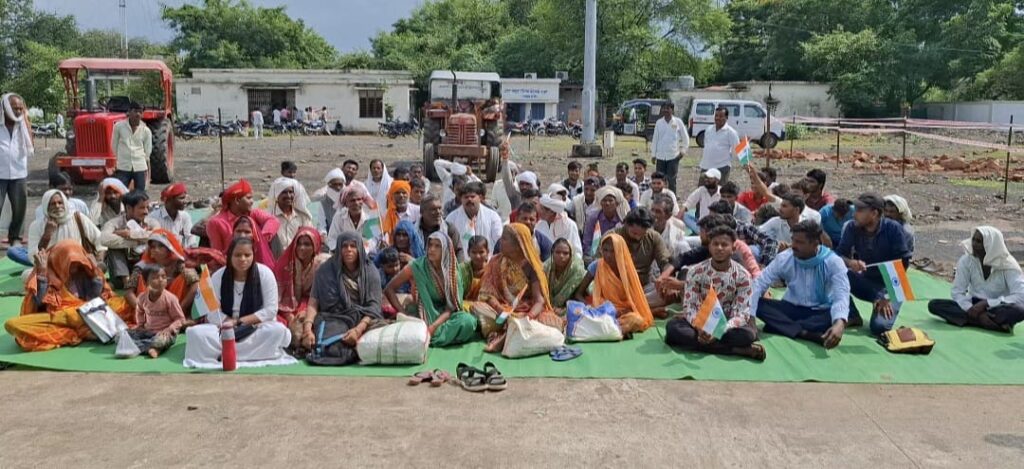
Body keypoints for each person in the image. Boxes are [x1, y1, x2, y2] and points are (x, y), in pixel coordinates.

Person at [183, 238, 295, 368]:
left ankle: (225, 353)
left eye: (247, 255)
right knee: (195, 333)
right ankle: (250, 354)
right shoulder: (218, 276)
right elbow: (212, 312)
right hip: (224, 328)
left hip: (255, 327)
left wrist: (239, 322)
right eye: (237, 255)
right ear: (230, 256)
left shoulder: (265, 274)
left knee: (278, 331)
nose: (243, 259)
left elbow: (270, 310)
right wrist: (228, 325)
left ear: (254, 255)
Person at [5, 240, 133, 351]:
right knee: (12, 324)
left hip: (87, 314)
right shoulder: (48, 273)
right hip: (60, 319)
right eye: (70, 263)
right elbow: (38, 303)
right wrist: (42, 274)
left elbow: (93, 299)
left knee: (125, 303)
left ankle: (87, 330)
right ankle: (80, 332)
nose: (75, 267)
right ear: (60, 260)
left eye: (77, 263)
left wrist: (95, 272)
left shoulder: (82, 270)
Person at [665, 226, 764, 360]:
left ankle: (709, 344)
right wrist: (700, 328)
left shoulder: (743, 276)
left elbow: (741, 314)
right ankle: (736, 350)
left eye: (724, 245)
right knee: (673, 329)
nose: (719, 248)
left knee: (747, 335)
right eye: (715, 244)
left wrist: (719, 331)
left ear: (733, 248)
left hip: (729, 323)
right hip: (702, 321)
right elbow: (690, 306)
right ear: (709, 247)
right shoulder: (695, 272)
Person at [752, 221, 850, 348]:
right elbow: (759, 284)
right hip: (790, 307)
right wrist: (750, 319)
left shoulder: (833, 262)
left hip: (819, 310)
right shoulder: (784, 258)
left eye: (800, 242)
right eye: (793, 240)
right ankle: (805, 333)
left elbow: (841, 295)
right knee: (758, 304)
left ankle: (782, 326)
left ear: (815, 244)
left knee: (834, 317)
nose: (793, 246)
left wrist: (839, 324)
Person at [472, 224, 564, 352]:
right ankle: (513, 330)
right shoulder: (495, 261)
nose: (500, 241)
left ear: (517, 244)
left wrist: (528, 318)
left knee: (550, 322)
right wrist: (500, 310)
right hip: (501, 310)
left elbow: (539, 301)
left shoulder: (532, 267)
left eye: (504, 239)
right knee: (478, 308)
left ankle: (509, 333)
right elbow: (487, 293)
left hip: (526, 312)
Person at [299, 232, 383, 366]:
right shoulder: (325, 270)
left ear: (360, 249)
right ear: (338, 248)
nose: (348, 250)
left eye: (353, 246)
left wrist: (358, 330)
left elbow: (374, 308)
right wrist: (307, 330)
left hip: (363, 319)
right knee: (297, 333)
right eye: (344, 246)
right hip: (332, 317)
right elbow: (313, 302)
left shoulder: (370, 272)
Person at [836, 193, 912, 336]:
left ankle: (880, 303)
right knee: (835, 273)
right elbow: (839, 255)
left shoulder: (894, 229)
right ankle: (851, 314)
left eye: (859, 210)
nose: (854, 214)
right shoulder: (852, 227)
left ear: (874, 213)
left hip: (893, 284)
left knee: (879, 327)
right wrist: (850, 262)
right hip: (867, 279)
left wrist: (887, 297)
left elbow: (903, 263)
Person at [385, 232, 479, 347]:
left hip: (445, 316)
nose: (432, 249)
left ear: (445, 250)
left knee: (468, 322)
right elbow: (389, 289)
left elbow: (451, 307)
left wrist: (433, 327)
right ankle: (438, 337)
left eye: (437, 246)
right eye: (430, 245)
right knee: (414, 319)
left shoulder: (453, 271)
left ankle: (429, 337)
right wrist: (403, 314)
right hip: (421, 313)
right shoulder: (417, 266)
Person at [928, 226, 1024, 332]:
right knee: (935, 305)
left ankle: (974, 320)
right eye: (973, 239)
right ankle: (990, 323)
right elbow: (957, 292)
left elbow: (1021, 295)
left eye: (979, 241)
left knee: (1020, 310)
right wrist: (973, 310)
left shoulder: (1008, 265)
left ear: (990, 245)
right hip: (972, 305)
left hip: (996, 307)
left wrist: (987, 303)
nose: (973, 244)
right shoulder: (966, 261)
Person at [574, 233, 655, 335]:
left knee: (637, 319)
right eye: (605, 250)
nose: (608, 255)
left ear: (620, 251)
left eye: (613, 251)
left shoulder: (627, 269)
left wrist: (626, 310)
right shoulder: (596, 266)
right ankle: (614, 330)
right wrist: (591, 308)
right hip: (602, 309)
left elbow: (635, 298)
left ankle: (612, 329)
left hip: (623, 311)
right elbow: (578, 294)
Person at [274, 227, 324, 352]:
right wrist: (289, 316)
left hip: (313, 303)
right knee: (279, 325)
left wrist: (307, 310)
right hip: (285, 307)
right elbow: (277, 298)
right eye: (299, 244)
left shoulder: (322, 265)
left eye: (307, 244)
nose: (302, 248)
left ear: (315, 246)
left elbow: (324, 296)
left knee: (313, 322)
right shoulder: (284, 265)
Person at [127, 229, 199, 313]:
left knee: (183, 279)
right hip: (146, 311)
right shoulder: (142, 266)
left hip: (175, 308)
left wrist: (179, 310)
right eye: (153, 247)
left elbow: (195, 286)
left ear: (169, 249)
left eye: (161, 246)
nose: (156, 250)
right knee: (142, 279)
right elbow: (129, 293)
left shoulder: (179, 264)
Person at [27, 189, 105, 263]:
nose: (57, 206)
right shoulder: (36, 225)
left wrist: (99, 259)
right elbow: (33, 258)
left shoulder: (78, 218)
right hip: (51, 267)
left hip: (78, 265)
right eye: (53, 204)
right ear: (46, 207)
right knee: (27, 275)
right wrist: (47, 234)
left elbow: (100, 240)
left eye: (60, 203)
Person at [126, 265, 186, 358]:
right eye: (155, 278)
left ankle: (153, 348)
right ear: (146, 282)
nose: (161, 280)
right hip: (148, 332)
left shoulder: (170, 298)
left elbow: (180, 319)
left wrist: (169, 329)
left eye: (163, 277)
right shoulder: (142, 297)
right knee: (123, 335)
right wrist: (140, 325)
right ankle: (149, 347)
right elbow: (140, 311)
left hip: (164, 333)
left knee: (162, 341)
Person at [206, 179, 279, 254]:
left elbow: (273, 221)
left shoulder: (253, 213)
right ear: (237, 200)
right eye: (249, 198)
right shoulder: (216, 223)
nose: (252, 201)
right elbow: (217, 255)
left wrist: (261, 240)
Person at [101, 190, 157, 288]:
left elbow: (156, 234)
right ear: (128, 208)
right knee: (113, 248)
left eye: (147, 208)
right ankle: (126, 281)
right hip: (120, 273)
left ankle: (140, 280)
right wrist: (139, 241)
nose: (146, 212)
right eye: (142, 208)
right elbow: (104, 239)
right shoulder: (114, 223)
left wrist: (129, 234)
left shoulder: (151, 222)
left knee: (155, 247)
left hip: (143, 268)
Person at [446, 182, 503, 261]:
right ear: (461, 199)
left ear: (480, 198)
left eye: (472, 196)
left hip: (488, 264)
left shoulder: (492, 216)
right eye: (466, 197)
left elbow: (499, 241)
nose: (469, 199)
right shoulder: (451, 218)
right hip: (461, 266)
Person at [711, 200, 777, 265]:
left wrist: (764, 263)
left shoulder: (744, 228)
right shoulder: (711, 229)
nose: (711, 220)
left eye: (714, 218)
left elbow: (769, 241)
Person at [267, 177, 314, 258]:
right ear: (277, 195)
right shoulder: (269, 217)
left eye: (291, 192)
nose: (288, 196)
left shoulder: (303, 217)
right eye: (284, 192)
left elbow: (311, 238)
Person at [111, 102, 152, 191]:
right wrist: (120, 159)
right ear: (129, 112)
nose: (138, 114)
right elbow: (114, 146)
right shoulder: (119, 127)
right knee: (120, 193)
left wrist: (144, 162)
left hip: (140, 167)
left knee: (140, 194)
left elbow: (148, 150)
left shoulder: (146, 130)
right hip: (123, 167)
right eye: (135, 111)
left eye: (140, 112)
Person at [650, 102, 688, 193]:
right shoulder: (659, 122)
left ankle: (672, 199)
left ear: (672, 110)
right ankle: (659, 197)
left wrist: (683, 151)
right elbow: (655, 138)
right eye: (664, 108)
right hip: (660, 156)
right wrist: (653, 154)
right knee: (659, 179)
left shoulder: (678, 122)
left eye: (668, 108)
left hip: (673, 156)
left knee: (671, 180)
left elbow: (685, 137)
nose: (666, 110)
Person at [582, 185, 628, 258]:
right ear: (600, 203)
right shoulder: (593, 218)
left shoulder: (622, 219)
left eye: (610, 200)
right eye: (604, 200)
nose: (607, 203)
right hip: (596, 255)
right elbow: (587, 242)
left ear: (616, 204)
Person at [699, 106, 740, 185]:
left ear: (726, 117)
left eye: (721, 116)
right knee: (702, 191)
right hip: (706, 166)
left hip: (721, 167)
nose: (718, 118)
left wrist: (728, 158)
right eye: (716, 116)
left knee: (719, 192)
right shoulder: (709, 129)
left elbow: (737, 150)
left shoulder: (731, 132)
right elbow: (706, 145)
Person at [327, 181, 373, 249]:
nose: (356, 203)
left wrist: (359, 253)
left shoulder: (370, 217)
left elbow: (372, 242)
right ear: (346, 203)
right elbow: (332, 240)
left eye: (359, 199)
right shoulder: (339, 217)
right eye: (352, 200)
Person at [545, 238, 586, 311]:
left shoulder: (576, 269)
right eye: (557, 252)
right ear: (552, 253)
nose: (561, 256)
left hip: (574, 303)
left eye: (565, 253)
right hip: (549, 304)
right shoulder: (547, 267)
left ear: (571, 255)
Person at [417, 194, 462, 259]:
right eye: (433, 209)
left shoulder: (449, 229)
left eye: (439, 208)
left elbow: (459, 252)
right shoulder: (413, 230)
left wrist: (458, 268)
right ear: (422, 212)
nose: (438, 212)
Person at [152, 183, 195, 248]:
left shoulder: (185, 216)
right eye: (181, 198)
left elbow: (190, 238)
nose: (185, 201)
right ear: (170, 200)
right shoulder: (154, 217)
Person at [681, 168, 723, 234]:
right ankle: (703, 232)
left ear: (717, 180)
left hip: (717, 224)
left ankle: (704, 233)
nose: (706, 180)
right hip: (701, 223)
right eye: (706, 178)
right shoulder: (701, 190)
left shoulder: (722, 192)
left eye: (710, 178)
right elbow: (689, 202)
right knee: (683, 215)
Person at [651, 194, 690, 258]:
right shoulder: (643, 228)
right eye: (652, 210)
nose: (653, 214)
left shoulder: (677, 230)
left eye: (658, 212)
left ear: (668, 216)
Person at [376, 247, 410, 315]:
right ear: (382, 266)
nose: (394, 269)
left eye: (397, 265)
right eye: (390, 266)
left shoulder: (403, 274)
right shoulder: (379, 275)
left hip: (401, 301)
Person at [458, 235, 490, 308]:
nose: (477, 256)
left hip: (484, 307)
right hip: (464, 305)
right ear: (468, 252)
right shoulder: (462, 269)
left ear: (487, 252)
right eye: (474, 252)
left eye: (481, 252)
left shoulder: (491, 270)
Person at [314, 168, 346, 234]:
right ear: (329, 184)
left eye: (340, 184)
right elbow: (321, 225)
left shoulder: (350, 199)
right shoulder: (323, 203)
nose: (338, 187)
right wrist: (323, 235)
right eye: (335, 184)